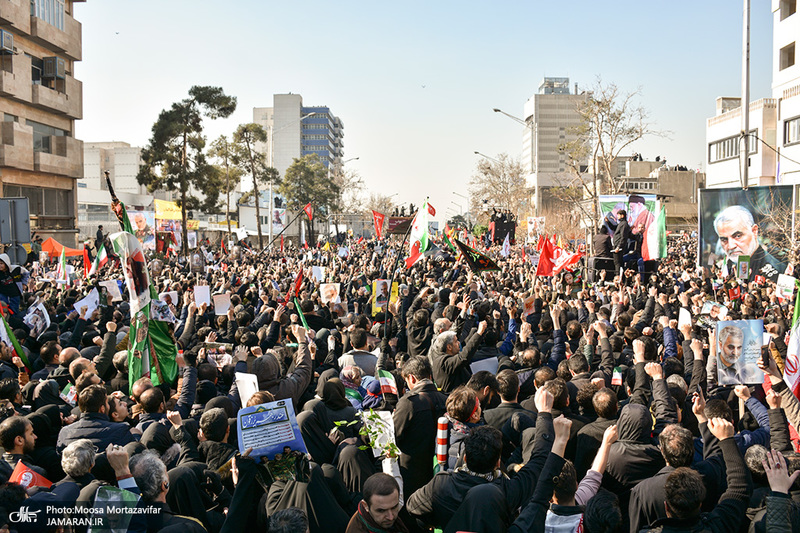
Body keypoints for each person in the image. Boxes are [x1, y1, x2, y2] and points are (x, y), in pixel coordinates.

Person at [713, 205, 788, 281]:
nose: (731, 246)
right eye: (724, 240)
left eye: (738, 236)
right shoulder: (728, 265)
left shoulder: (776, 274)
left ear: (754, 231)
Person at [611, 210, 630, 275]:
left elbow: (623, 237)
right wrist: (608, 222)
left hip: (618, 247)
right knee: (618, 263)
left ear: (622, 215)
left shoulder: (624, 224)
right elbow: (614, 228)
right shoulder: (621, 224)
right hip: (617, 246)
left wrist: (619, 246)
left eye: (618, 215)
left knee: (617, 263)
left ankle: (618, 277)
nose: (617, 216)